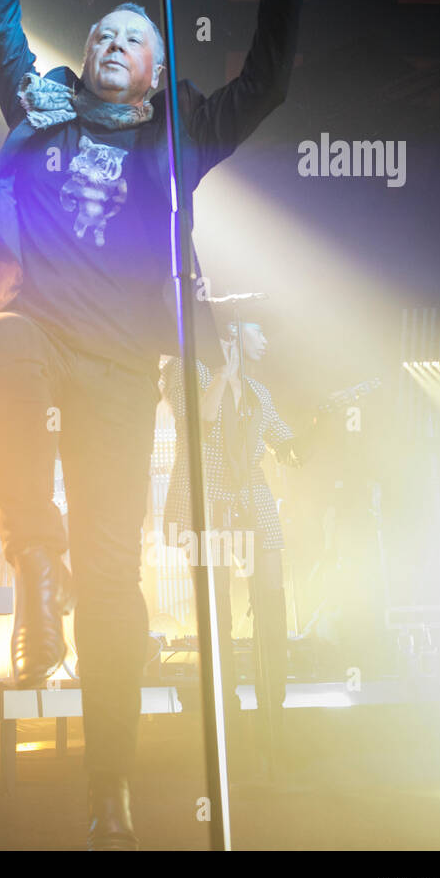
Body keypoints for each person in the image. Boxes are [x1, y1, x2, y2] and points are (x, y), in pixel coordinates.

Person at [0, 0, 307, 849]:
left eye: (131, 36)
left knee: (118, 581)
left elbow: (267, 88)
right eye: (101, 32)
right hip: (33, 320)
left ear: (155, 70)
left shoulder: (179, 129)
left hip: (120, 363)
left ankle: (108, 791)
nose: (110, 44)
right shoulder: (42, 107)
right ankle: (33, 559)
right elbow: (1, 24)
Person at [161, 319, 300, 747]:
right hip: (206, 495)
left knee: (271, 603)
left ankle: (273, 713)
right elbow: (198, 418)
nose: (266, 340)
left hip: (251, 495)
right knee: (214, 608)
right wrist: (223, 371)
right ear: (232, 335)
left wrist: (324, 423)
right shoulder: (187, 370)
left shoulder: (260, 393)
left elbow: (287, 445)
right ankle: (226, 718)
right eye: (259, 331)